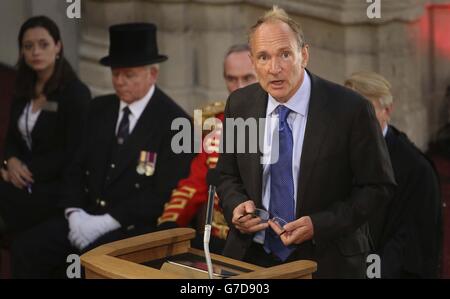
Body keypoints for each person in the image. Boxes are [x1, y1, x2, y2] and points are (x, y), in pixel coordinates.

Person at [216, 6, 396, 278]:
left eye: (285, 54)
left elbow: (377, 188)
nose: (274, 68)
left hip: (327, 258)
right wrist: (236, 205)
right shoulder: (240, 104)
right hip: (251, 254)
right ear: (253, 62)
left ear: (305, 55)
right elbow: (227, 175)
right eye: (263, 57)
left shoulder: (350, 109)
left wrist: (319, 224)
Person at [10, 23, 194, 278]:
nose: (119, 82)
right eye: (115, 74)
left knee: (87, 267)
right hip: (84, 213)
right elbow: (75, 166)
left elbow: (160, 193)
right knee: (24, 250)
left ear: (152, 74)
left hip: (130, 228)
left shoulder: (175, 123)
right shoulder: (99, 108)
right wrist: (74, 212)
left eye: (129, 75)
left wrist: (107, 221)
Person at [157, 44, 257, 253]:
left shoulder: (279, 123)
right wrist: (170, 225)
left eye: (247, 78)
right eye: (231, 79)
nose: (238, 87)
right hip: (218, 242)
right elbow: (193, 186)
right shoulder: (215, 125)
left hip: (260, 241)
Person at [0, 16, 91, 239]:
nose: (35, 52)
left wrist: (25, 171)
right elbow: (12, 137)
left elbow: (74, 153)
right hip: (21, 180)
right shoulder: (23, 86)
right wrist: (10, 161)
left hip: (54, 187)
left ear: (58, 46)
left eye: (43, 44)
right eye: (28, 46)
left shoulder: (75, 94)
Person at [345, 71, 442, 278]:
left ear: (387, 111)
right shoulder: (339, 152)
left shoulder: (416, 169)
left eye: (364, 110)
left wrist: (370, 273)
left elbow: (410, 242)